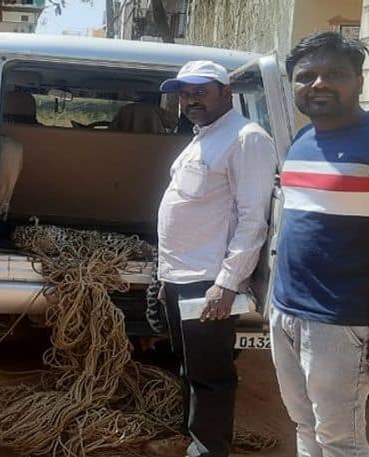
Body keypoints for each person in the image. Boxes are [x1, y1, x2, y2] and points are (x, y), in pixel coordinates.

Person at [271, 31, 369, 457]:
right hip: (287, 311)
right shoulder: (302, 141)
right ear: (293, 85)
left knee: (340, 440)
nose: (319, 84)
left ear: (359, 81)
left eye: (334, 74)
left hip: (344, 321)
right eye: (306, 76)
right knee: (304, 424)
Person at [155, 60, 277, 457]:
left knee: (211, 376)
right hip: (181, 275)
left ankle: (209, 450)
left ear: (226, 93)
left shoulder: (246, 138)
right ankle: (193, 439)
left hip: (208, 281)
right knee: (192, 368)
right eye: (185, 93)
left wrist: (226, 283)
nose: (191, 100)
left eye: (201, 91)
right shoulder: (205, 135)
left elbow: (252, 219)